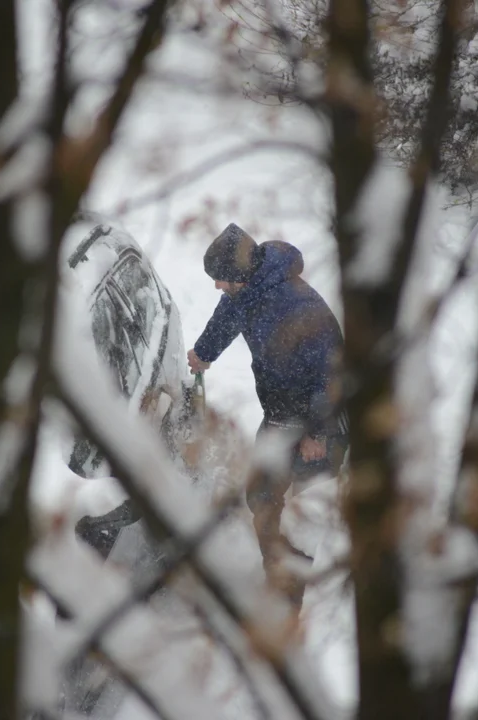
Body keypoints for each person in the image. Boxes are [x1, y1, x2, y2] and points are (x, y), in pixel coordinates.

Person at [188, 223, 347, 610]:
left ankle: (290, 598)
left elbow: (332, 375)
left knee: (305, 514)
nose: (217, 287)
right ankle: (278, 574)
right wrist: (203, 354)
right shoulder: (247, 291)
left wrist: (319, 434)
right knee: (261, 494)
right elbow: (226, 318)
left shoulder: (297, 307)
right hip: (280, 414)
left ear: (239, 275)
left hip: (319, 422)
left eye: (221, 279)